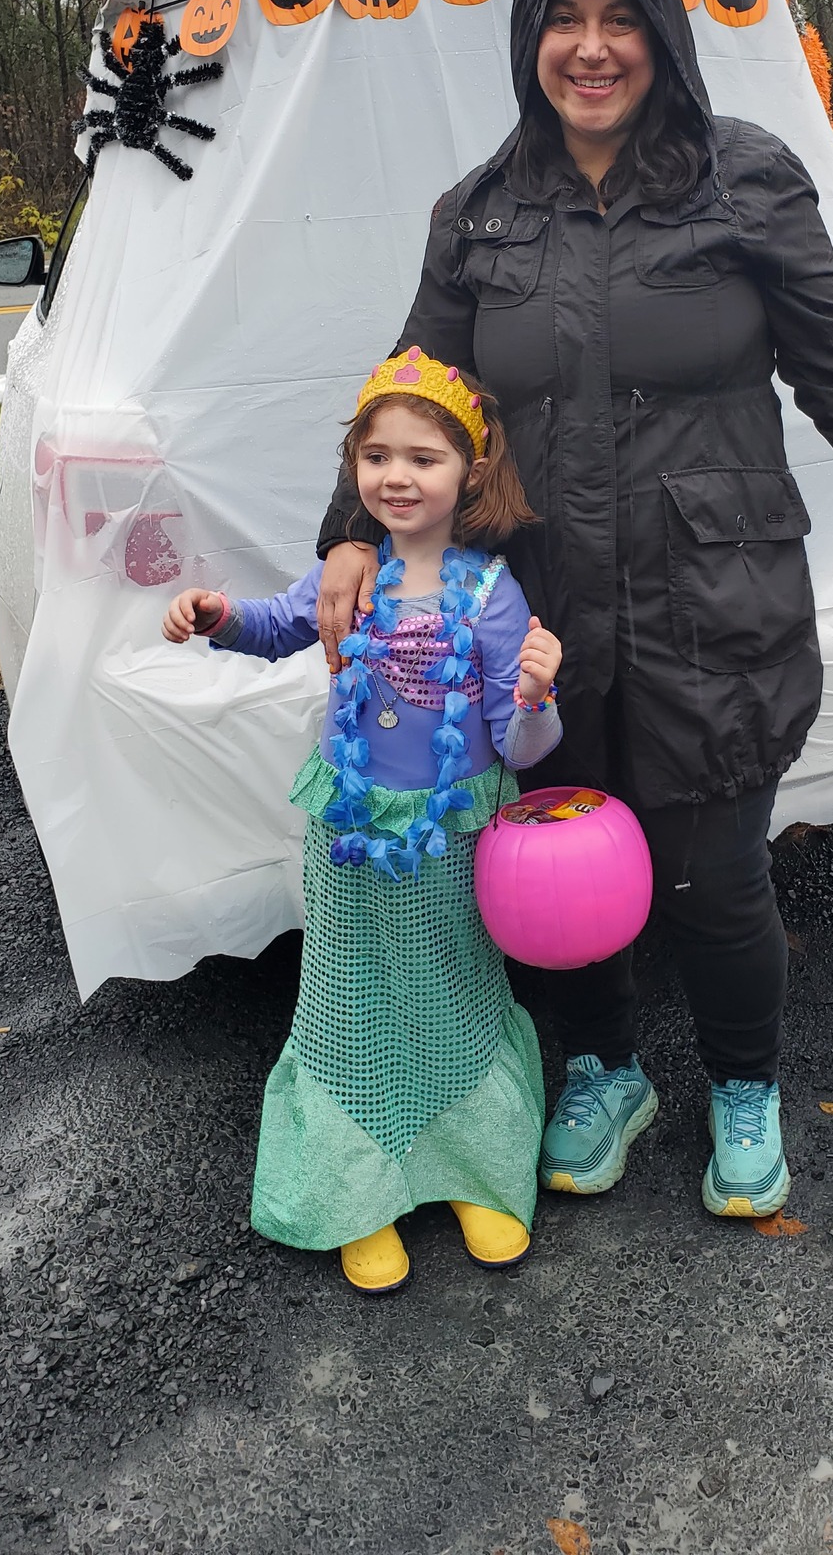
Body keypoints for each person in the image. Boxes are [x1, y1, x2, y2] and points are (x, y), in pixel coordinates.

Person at [313, 0, 833, 1223]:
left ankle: (742, 1085)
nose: (592, 48)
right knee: (557, 854)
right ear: (531, 42)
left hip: (714, 589)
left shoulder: (748, 180)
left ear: (663, 38)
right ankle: (605, 1068)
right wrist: (349, 527)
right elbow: (419, 381)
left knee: (711, 870)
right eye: (565, 22)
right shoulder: (481, 212)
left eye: (619, 19)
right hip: (541, 601)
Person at [162, 353, 564, 1294]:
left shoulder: (491, 595)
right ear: (355, 467)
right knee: (351, 998)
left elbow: (526, 745)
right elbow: (275, 627)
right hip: (347, 832)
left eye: (424, 458)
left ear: (470, 471)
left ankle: (470, 1168)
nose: (397, 477)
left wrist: (537, 694)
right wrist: (217, 613)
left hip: (449, 837)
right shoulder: (349, 574)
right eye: (377, 456)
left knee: (454, 991)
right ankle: (359, 1189)